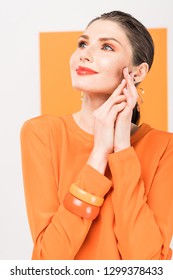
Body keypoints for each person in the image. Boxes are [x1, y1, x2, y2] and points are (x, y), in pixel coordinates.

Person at [20, 10, 173, 260]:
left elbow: (148, 264)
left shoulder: (165, 147)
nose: (85, 54)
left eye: (107, 48)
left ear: (137, 72)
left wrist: (122, 149)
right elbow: (48, 260)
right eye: (83, 43)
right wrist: (98, 155)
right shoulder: (41, 134)